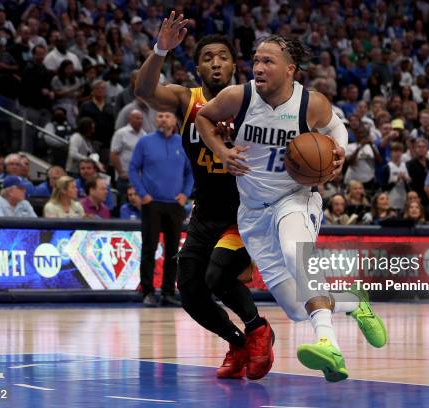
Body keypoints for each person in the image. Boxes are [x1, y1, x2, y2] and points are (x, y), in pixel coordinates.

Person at [197, 35, 387, 382]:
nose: (258, 67)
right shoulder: (238, 96)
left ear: (290, 69)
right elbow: (203, 119)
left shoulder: (309, 103)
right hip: (253, 212)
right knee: (297, 309)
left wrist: (339, 152)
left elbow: (336, 128)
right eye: (255, 60)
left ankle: (327, 344)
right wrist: (221, 151)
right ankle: (353, 300)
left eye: (268, 61)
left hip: (295, 198)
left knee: (294, 251)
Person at [135, 15, 274, 380]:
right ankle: (237, 341)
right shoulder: (187, 99)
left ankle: (258, 329)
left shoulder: (253, 100)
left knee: (218, 275)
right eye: (208, 57)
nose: (216, 62)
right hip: (205, 211)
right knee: (191, 291)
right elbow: (144, 90)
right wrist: (161, 48)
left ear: (234, 65)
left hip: (246, 211)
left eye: (223, 57)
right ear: (197, 67)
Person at [129, 111, 193, 308]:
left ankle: (168, 292)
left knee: (174, 251)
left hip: (175, 204)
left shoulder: (183, 143)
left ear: (175, 120)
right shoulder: (145, 142)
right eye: (159, 116)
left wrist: (185, 193)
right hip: (152, 203)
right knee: (149, 248)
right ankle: (147, 292)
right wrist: (142, 194)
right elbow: (132, 168)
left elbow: (191, 172)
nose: (162, 119)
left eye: (167, 116)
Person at [110, 109, 145, 198]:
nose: (140, 121)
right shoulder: (121, 133)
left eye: (141, 119)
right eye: (137, 118)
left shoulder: (144, 134)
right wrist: (121, 173)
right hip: (125, 177)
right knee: (124, 202)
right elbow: (113, 154)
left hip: (140, 178)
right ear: (130, 119)